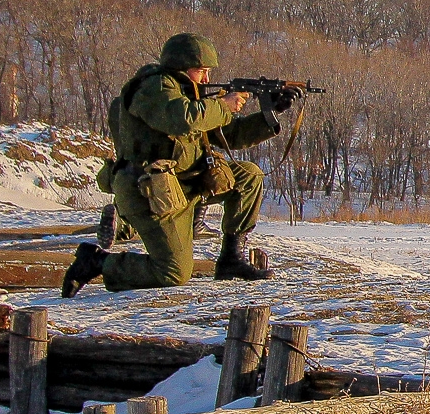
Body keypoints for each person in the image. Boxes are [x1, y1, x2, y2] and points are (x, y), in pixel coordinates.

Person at [62, 33, 298, 296]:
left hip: (187, 183)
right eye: (201, 71)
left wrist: (270, 114)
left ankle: (232, 260)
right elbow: (182, 119)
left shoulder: (191, 94)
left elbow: (232, 135)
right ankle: (96, 261)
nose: (207, 78)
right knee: (172, 272)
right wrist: (223, 105)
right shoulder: (153, 88)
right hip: (152, 193)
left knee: (249, 175)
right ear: (180, 67)